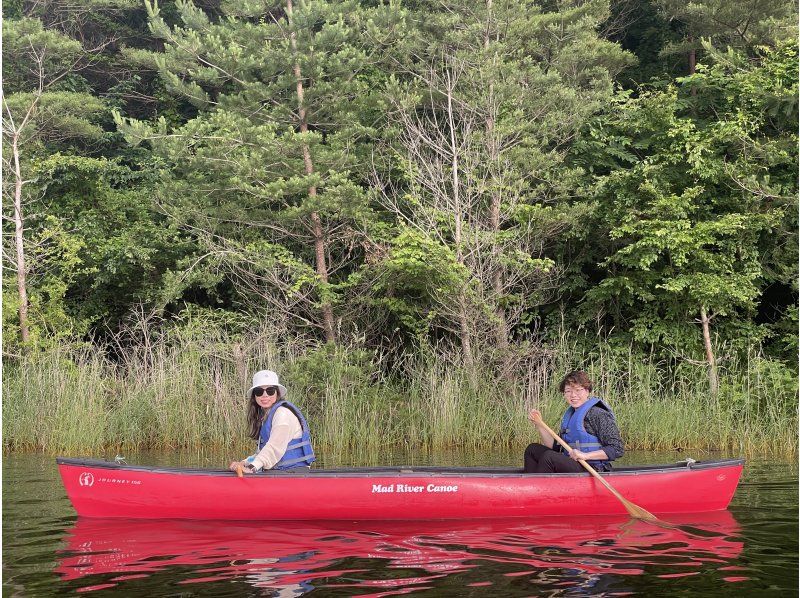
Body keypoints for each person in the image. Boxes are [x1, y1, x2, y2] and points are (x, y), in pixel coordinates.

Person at [524, 370, 623, 473]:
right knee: (532, 449)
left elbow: (617, 449)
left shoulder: (598, 414)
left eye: (578, 390)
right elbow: (555, 447)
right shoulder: (571, 414)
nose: (573, 395)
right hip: (573, 464)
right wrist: (539, 424)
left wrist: (585, 455)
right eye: (568, 391)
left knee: (549, 457)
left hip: (593, 468)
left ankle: (540, 487)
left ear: (587, 391)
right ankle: (530, 485)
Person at [229, 370, 315, 473]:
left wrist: (251, 468)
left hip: (293, 472)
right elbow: (262, 452)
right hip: (281, 471)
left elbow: (274, 448)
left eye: (270, 391)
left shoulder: (282, 414)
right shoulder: (267, 416)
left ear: (277, 393)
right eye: (259, 392)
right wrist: (245, 463)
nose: (265, 395)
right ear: (254, 396)